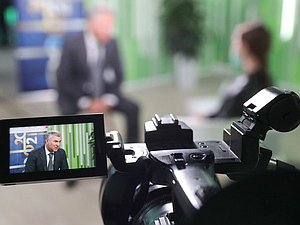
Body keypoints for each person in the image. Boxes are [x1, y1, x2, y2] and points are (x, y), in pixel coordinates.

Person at [56, 4, 139, 142]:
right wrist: (86, 102)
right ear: (90, 24)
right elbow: (63, 78)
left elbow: (119, 74)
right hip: (78, 97)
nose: (109, 29)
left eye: (110, 25)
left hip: (105, 95)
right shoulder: (72, 44)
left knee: (133, 108)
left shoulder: (112, 43)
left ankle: (133, 151)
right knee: (66, 117)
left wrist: (108, 98)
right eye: (104, 25)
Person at [207, 21, 272, 118]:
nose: (233, 46)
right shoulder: (252, 82)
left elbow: (224, 118)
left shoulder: (253, 89)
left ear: (246, 47)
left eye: (236, 41)